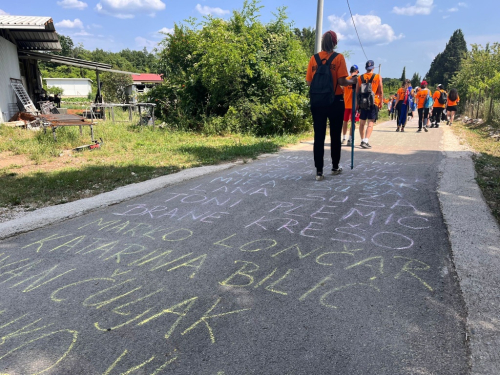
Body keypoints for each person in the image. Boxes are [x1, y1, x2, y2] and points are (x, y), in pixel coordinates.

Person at [306, 31, 357, 181]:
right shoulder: (339, 58)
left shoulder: (313, 59)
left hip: (317, 101)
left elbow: (309, 82)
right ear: (335, 43)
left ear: (322, 42)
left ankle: (319, 171)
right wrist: (352, 82)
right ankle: (335, 167)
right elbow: (342, 81)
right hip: (335, 100)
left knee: (319, 135)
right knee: (335, 135)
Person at [355, 60, 383, 148]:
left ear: (366, 68)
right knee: (370, 122)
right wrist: (381, 102)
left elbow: (357, 92)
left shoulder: (360, 77)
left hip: (363, 102)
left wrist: (357, 104)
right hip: (373, 102)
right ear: (373, 68)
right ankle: (366, 140)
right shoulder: (377, 77)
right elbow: (380, 91)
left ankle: (362, 140)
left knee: (362, 122)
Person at [342, 65, 359, 146]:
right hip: (354, 105)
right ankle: (350, 139)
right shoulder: (357, 80)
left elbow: (342, 90)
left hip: (345, 104)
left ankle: (344, 138)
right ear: (357, 71)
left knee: (345, 121)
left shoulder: (346, 80)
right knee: (353, 122)